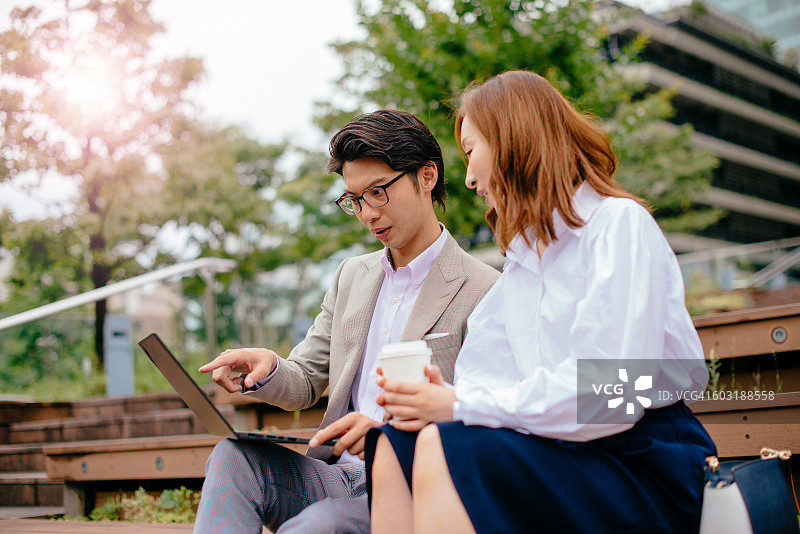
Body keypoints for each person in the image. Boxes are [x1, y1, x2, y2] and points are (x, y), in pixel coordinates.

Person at [366, 71, 716, 534]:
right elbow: (485, 382)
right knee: (395, 442)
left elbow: (610, 396)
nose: (469, 178)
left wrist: (461, 403)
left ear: (514, 141)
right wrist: (441, 396)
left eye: (472, 153)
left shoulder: (618, 226)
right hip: (559, 450)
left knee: (448, 447)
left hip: (641, 460)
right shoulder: (523, 263)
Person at [192, 109, 499, 534]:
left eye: (378, 192)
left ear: (426, 176)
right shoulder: (352, 276)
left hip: (414, 481)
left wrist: (384, 434)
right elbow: (306, 381)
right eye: (354, 200)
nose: (368, 214)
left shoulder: (484, 288)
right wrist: (269, 367)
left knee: (321, 525)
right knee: (233, 455)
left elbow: (481, 412)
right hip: (338, 474)